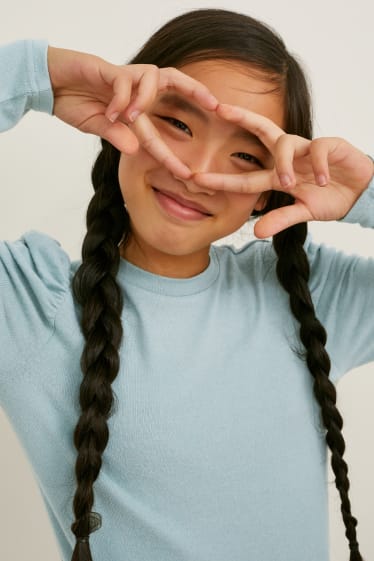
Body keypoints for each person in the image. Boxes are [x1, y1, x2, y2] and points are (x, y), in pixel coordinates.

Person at [0, 8, 373, 561]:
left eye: (246, 154)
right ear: (122, 117)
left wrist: (366, 193)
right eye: (177, 123)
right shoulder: (30, 300)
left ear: (272, 187)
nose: (196, 169)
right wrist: (41, 77)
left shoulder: (311, 293)